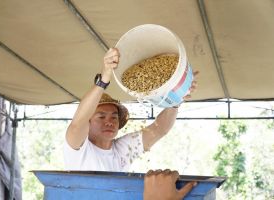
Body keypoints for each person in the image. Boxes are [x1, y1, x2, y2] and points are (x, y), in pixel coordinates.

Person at [63, 47, 198, 171]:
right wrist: (104, 79)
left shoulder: (123, 149)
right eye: (101, 116)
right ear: (88, 122)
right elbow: (77, 124)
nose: (109, 122)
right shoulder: (78, 147)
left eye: (114, 117)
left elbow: (160, 129)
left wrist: (177, 99)